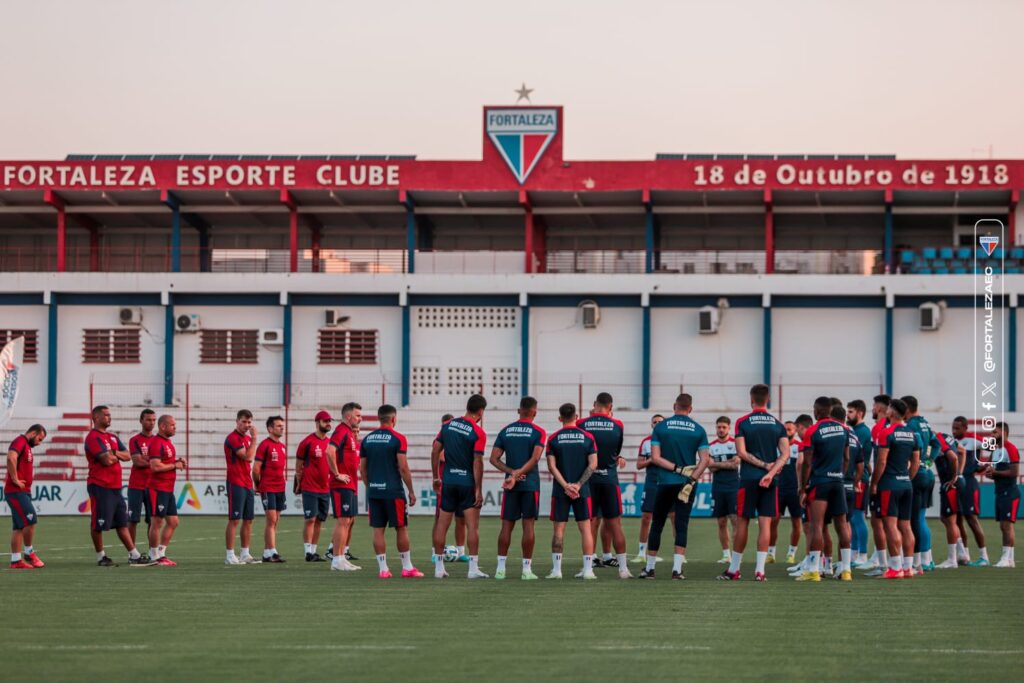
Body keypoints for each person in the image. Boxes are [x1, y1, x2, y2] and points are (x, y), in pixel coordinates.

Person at [721, 384, 789, 581]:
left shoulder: (743, 422)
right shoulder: (778, 424)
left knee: (743, 522)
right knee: (765, 523)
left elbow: (741, 453)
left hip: (749, 478)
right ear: (767, 400)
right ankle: (760, 571)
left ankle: (734, 570)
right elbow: (785, 454)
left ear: (751, 400)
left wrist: (763, 465)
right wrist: (771, 471)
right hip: (770, 481)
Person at [642, 393, 712, 581]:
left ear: (674, 406)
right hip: (687, 484)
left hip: (665, 482)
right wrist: (691, 479)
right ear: (690, 408)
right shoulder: (699, 429)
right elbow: (705, 460)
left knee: (657, 524)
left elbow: (655, 458)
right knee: (681, 525)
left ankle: (650, 569)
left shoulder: (661, 427)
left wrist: (676, 469)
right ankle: (677, 570)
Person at [359, 404, 422, 579]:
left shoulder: (367, 439)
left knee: (378, 530)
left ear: (380, 418)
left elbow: (362, 470)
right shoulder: (398, 438)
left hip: (374, 492)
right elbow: (403, 467)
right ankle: (407, 567)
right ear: (393, 419)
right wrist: (411, 491)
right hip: (393, 491)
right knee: (401, 528)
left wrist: (370, 487)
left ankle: (383, 570)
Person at [489, 396, 546, 580]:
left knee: (506, 526)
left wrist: (511, 473)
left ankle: (500, 569)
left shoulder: (506, 431)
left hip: (510, 485)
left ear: (518, 410)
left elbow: (493, 459)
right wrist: (519, 473)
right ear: (534, 412)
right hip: (529, 484)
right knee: (528, 525)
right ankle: (526, 570)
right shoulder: (538, 432)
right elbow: (535, 458)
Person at [795, 398, 852, 582]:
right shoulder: (844, 429)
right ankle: (846, 570)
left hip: (820, 482)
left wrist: (803, 488)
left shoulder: (813, 430)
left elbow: (807, 462)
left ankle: (813, 570)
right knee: (842, 525)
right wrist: (839, 474)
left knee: (817, 525)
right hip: (838, 481)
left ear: (817, 412)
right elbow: (846, 458)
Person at [432, 394, 488, 579]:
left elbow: (435, 450)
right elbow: (477, 461)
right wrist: (478, 489)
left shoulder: (447, 426)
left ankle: (439, 568)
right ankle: (472, 569)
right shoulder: (478, 432)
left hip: (448, 481)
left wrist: (436, 476)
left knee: (442, 524)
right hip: (467, 483)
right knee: (472, 526)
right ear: (480, 412)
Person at [84, 405, 147, 566]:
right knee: (98, 523)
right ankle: (101, 557)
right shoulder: (93, 437)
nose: (109, 417)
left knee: (121, 522)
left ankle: (134, 555)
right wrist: (114, 454)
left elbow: (127, 456)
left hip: (115, 487)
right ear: (96, 418)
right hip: (100, 486)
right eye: (105, 415)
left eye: (109, 415)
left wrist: (113, 453)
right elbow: (105, 460)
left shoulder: (112, 437)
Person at [578, 392, 630, 576]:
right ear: (610, 407)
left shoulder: (581, 423)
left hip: (588, 479)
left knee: (590, 523)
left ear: (594, 404)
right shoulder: (618, 424)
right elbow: (616, 450)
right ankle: (623, 569)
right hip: (609, 478)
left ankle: (588, 567)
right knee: (615, 523)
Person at [545, 402, 598, 580]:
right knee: (586, 530)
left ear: (560, 418)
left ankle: (557, 570)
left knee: (559, 530)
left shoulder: (553, 438)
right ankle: (588, 570)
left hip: (561, 491)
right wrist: (578, 485)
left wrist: (566, 485)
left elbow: (551, 467)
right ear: (576, 417)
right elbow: (593, 464)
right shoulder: (588, 437)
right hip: (582, 491)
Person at [870, 398, 921, 579]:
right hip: (906, 484)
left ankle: (895, 567)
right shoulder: (912, 434)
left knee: (890, 525)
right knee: (906, 526)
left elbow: (882, 461)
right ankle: (908, 568)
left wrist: (874, 483)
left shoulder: (886, 433)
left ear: (891, 412)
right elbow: (916, 461)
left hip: (889, 484)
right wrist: (908, 478)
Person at [902, 396, 936, 572]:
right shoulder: (925, 423)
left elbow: (914, 447)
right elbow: (936, 443)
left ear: (906, 409)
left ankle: (917, 562)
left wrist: (917, 462)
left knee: (914, 520)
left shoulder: (911, 426)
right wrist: (929, 460)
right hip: (927, 473)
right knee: (921, 519)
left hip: (917, 474)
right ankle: (927, 559)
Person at [327, 402, 362, 571]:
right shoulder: (341, 431)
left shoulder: (349, 433)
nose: (360, 419)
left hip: (351, 484)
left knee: (348, 520)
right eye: (357, 415)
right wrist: (337, 474)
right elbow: (329, 451)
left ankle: (341, 557)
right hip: (341, 484)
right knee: (343, 520)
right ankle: (337, 559)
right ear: (348, 416)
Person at [6, 425, 46, 569]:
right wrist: (15, 479)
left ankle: (16, 561)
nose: (39, 442)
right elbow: (11, 457)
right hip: (16, 491)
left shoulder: (26, 446)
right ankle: (29, 553)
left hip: (22, 491)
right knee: (31, 519)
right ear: (33, 433)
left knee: (18, 527)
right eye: (39, 439)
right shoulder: (20, 441)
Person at [951, 416, 989, 566]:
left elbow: (995, 446)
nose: (954, 431)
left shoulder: (974, 439)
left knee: (972, 519)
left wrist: (986, 464)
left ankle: (984, 556)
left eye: (957, 428)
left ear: (965, 428)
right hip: (957, 483)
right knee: (958, 519)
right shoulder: (952, 442)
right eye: (953, 428)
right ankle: (964, 555)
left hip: (969, 484)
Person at [148, 415, 185, 566]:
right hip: (158, 488)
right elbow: (155, 466)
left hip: (168, 489)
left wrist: (178, 463)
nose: (174, 427)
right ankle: (154, 555)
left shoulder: (168, 443)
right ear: (162, 426)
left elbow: (167, 463)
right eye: (172, 425)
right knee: (157, 522)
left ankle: (161, 553)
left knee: (174, 522)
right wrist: (175, 465)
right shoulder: (157, 443)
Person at [296, 410, 334, 562]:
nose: (328, 423)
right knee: (310, 519)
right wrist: (299, 483)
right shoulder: (307, 442)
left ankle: (314, 551)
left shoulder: (330, 443)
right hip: (310, 487)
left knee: (319, 520)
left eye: (329, 421)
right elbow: (299, 465)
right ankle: (307, 552)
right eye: (325, 421)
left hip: (325, 488)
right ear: (318, 423)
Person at [980, 422, 1019, 568]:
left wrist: (995, 473)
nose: (992, 435)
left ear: (1004, 433)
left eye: (995, 432)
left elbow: (1014, 472)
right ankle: (1009, 558)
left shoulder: (1011, 449)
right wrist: (990, 473)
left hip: (1010, 492)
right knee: (1004, 526)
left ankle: (1006, 558)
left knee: (1006, 525)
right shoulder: (995, 450)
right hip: (1000, 491)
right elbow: (991, 469)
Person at [861, 394, 891, 576]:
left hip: (885, 481)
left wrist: (874, 482)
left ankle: (882, 563)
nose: (872, 409)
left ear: (879, 408)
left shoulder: (879, 428)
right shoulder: (899, 428)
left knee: (878, 521)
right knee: (899, 523)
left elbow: (881, 459)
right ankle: (906, 562)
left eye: (873, 406)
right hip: (902, 480)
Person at [224, 409, 259, 565]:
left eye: (249, 422)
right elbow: (248, 457)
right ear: (237, 421)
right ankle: (230, 555)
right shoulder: (233, 438)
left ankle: (245, 553)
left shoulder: (246, 439)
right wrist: (255, 439)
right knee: (234, 519)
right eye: (244, 422)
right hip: (235, 482)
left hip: (247, 483)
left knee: (248, 520)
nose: (247, 425)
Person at [434, 413, 468, 563]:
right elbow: (441, 457)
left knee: (461, 519)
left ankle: (461, 552)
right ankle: (435, 553)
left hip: (461, 482)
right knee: (440, 520)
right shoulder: (438, 439)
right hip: (444, 483)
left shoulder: (457, 438)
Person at [254, 415, 288, 562]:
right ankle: (273, 552)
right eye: (278, 425)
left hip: (280, 487)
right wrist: (258, 485)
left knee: (276, 520)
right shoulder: (264, 445)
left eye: (282, 425)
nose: (282, 428)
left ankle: (267, 552)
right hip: (268, 487)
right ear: (270, 429)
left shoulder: (282, 447)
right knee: (271, 519)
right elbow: (256, 469)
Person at [633, 414, 665, 564]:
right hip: (651, 483)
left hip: (667, 483)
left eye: (660, 422)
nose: (657, 424)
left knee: (673, 517)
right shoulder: (646, 442)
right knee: (646, 517)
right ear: (651, 425)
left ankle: (679, 554)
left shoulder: (670, 440)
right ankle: (641, 553)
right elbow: (639, 465)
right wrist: (652, 459)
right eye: (655, 422)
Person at [932, 430, 965, 569]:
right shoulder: (946, 436)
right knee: (945, 518)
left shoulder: (937, 440)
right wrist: (960, 473)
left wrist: (954, 477)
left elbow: (954, 457)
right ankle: (962, 553)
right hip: (953, 482)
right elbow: (962, 451)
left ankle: (952, 559)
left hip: (950, 483)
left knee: (950, 520)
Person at [708, 416, 738, 565]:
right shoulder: (711, 446)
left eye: (723, 427)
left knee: (735, 520)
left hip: (734, 486)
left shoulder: (735, 444)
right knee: (721, 522)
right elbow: (710, 466)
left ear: (729, 428)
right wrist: (728, 463)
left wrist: (718, 464)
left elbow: (736, 464)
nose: (721, 430)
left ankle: (737, 555)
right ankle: (726, 555)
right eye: (719, 427)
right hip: (718, 487)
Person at [845, 400, 873, 566]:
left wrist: (862, 477)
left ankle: (863, 554)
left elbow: (861, 459)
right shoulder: (854, 430)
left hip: (859, 479)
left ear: (860, 413)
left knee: (857, 517)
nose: (848, 415)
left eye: (851, 412)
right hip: (854, 478)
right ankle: (854, 553)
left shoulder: (862, 432)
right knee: (852, 518)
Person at [127, 409, 156, 549]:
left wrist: (146, 459)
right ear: (141, 421)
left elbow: (161, 462)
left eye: (153, 420)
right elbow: (137, 462)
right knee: (132, 520)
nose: (151, 422)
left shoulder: (158, 441)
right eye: (148, 419)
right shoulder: (134, 440)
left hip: (153, 486)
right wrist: (154, 462)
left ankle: (152, 552)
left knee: (153, 520)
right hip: (136, 486)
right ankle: (132, 552)